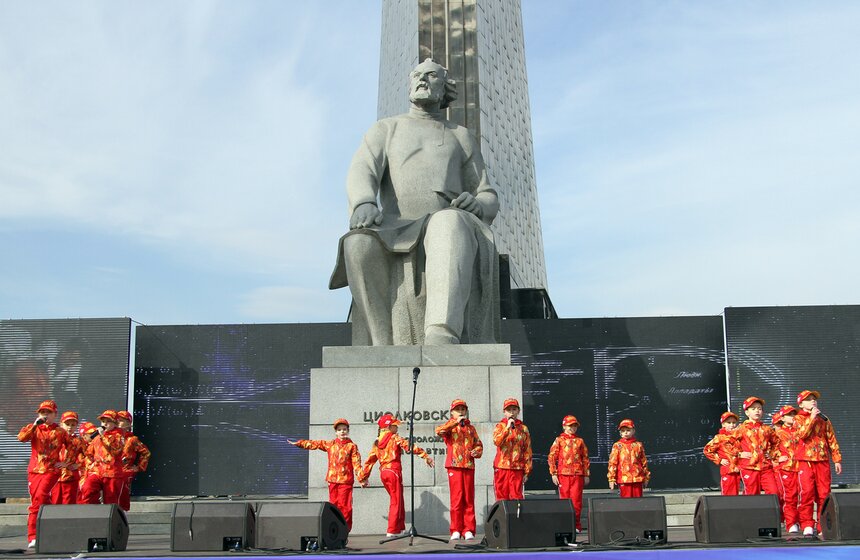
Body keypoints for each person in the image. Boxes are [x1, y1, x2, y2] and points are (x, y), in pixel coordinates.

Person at [330, 58, 501, 346]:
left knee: (447, 223)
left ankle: (442, 331)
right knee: (357, 242)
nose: (422, 79)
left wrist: (479, 204)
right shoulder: (386, 129)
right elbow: (362, 170)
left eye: (431, 75)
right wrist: (363, 203)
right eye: (417, 75)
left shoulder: (461, 136)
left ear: (444, 87)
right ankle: (380, 344)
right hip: (393, 224)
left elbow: (487, 193)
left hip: (444, 218)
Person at [359, 413, 434, 536]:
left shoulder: (377, 442)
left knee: (398, 499)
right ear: (388, 427)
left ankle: (400, 527)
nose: (397, 428)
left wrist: (363, 478)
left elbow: (370, 461)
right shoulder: (394, 438)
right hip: (394, 471)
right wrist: (424, 455)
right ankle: (392, 530)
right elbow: (409, 446)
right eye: (395, 425)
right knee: (396, 500)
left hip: (384, 473)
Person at [289, 419, 365, 531]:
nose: (342, 432)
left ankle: (344, 531)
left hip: (345, 481)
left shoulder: (352, 446)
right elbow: (315, 444)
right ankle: (334, 531)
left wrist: (361, 479)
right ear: (336, 432)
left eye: (344, 429)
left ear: (348, 431)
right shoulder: (330, 444)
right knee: (333, 507)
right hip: (332, 480)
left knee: (345, 507)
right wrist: (300, 443)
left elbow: (356, 463)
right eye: (339, 430)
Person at [17, 400, 70, 548]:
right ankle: (43, 532)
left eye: (48, 412)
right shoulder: (34, 428)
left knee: (40, 496)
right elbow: (22, 438)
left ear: (55, 414)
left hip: (51, 470)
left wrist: (68, 462)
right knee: (38, 501)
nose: (45, 415)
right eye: (42, 412)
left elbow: (73, 446)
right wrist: (35, 425)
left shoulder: (60, 431)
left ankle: (33, 535)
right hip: (34, 470)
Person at [793, 390, 842, 536]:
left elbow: (831, 439)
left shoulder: (824, 419)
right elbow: (802, 435)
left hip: (822, 460)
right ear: (801, 404)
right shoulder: (798, 419)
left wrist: (837, 459)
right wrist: (811, 418)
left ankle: (823, 525)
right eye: (809, 399)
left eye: (814, 399)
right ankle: (807, 523)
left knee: (824, 494)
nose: (813, 401)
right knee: (806, 492)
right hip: (805, 461)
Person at [435, 399, 483, 540]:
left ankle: (468, 529)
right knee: (456, 499)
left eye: (463, 410)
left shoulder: (471, 428)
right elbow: (439, 431)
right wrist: (455, 422)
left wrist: (477, 451)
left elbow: (478, 444)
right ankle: (456, 529)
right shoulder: (450, 427)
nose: (461, 412)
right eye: (458, 410)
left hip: (468, 465)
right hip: (454, 466)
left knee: (468, 498)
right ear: (452, 412)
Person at [547, 415, 590, 532]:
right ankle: (564, 525)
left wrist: (586, 474)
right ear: (564, 426)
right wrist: (553, 473)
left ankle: (576, 525)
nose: (572, 428)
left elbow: (585, 458)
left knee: (576, 501)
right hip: (563, 475)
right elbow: (551, 457)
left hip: (577, 475)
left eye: (575, 426)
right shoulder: (559, 440)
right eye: (570, 425)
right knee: (564, 501)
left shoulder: (580, 441)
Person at [734, 397, 779, 496]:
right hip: (749, 467)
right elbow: (727, 444)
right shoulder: (740, 429)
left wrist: (772, 454)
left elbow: (777, 442)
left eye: (759, 408)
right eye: (753, 409)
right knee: (751, 495)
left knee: (774, 492)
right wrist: (739, 453)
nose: (757, 411)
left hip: (765, 467)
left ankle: (771, 511)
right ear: (747, 412)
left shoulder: (766, 429)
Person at [80, 410, 127, 506]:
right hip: (97, 471)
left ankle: (111, 519)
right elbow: (89, 453)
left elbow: (116, 451)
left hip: (112, 473)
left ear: (115, 423)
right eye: (103, 421)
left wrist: (102, 436)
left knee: (111, 501)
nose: (105, 423)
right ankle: (92, 511)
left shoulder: (119, 435)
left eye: (108, 421)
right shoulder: (98, 436)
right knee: (88, 487)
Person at [492, 398, 532, 501]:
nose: (511, 412)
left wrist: (527, 471)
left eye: (514, 409)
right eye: (509, 410)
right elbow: (497, 441)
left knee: (517, 498)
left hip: (517, 469)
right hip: (502, 468)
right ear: (504, 412)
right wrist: (507, 428)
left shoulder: (523, 429)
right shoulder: (500, 426)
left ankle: (517, 517)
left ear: (518, 411)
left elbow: (527, 450)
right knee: (502, 499)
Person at [771, 405, 800, 533]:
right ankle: (790, 522)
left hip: (801, 467)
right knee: (789, 496)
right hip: (785, 469)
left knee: (803, 496)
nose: (793, 417)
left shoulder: (799, 431)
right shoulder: (777, 433)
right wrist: (777, 457)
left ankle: (801, 522)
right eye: (789, 415)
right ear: (782, 418)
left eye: (794, 414)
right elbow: (767, 447)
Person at [117, 411, 151, 512]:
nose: (118, 422)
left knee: (122, 495)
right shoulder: (111, 438)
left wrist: (139, 467)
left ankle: (121, 516)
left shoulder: (132, 440)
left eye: (121, 421)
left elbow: (146, 453)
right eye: (117, 420)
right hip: (111, 471)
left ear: (128, 423)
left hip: (125, 471)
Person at [607, 419, 649, 498]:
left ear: (633, 431)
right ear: (620, 433)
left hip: (637, 478)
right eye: (623, 431)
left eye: (628, 430)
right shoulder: (617, 445)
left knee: (638, 501)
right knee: (626, 502)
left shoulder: (638, 445)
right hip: (624, 479)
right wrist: (611, 479)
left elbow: (644, 462)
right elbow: (612, 463)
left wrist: (646, 477)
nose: (625, 433)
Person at [703, 411, 742, 495]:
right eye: (729, 422)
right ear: (723, 424)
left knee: (736, 494)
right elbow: (707, 450)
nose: (732, 425)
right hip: (727, 470)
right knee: (727, 494)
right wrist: (719, 460)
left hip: (738, 470)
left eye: (734, 422)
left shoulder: (739, 437)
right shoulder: (719, 438)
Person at [51, 411, 86, 505]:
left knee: (69, 504)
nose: (70, 427)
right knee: (54, 503)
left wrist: (78, 465)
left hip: (71, 477)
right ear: (61, 424)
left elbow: (90, 456)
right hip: (55, 477)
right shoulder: (54, 438)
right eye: (67, 424)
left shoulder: (78, 441)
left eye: (73, 424)